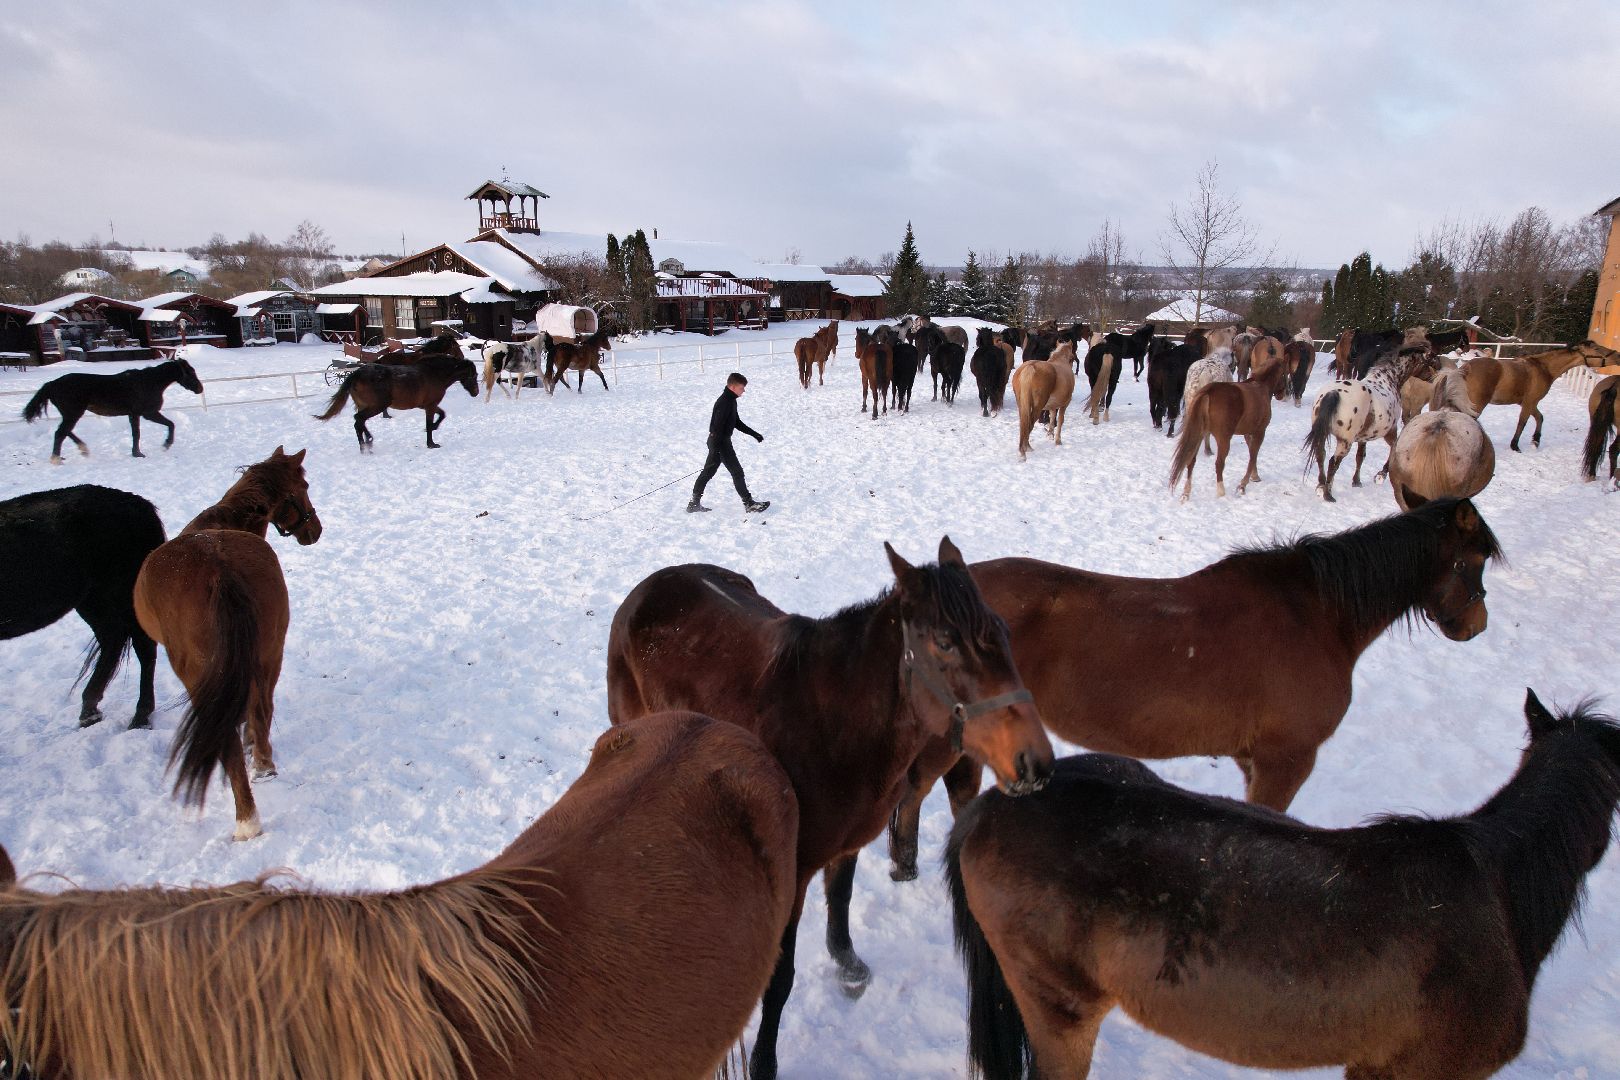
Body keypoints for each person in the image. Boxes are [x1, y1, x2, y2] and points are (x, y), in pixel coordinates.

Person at [688, 372, 769, 513]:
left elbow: (736, 422)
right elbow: (716, 427)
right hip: (720, 443)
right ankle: (749, 503)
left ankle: (694, 503)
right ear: (732, 387)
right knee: (737, 472)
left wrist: (754, 434)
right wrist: (715, 450)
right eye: (741, 388)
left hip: (720, 442)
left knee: (708, 472)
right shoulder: (724, 402)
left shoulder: (731, 400)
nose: (743, 391)